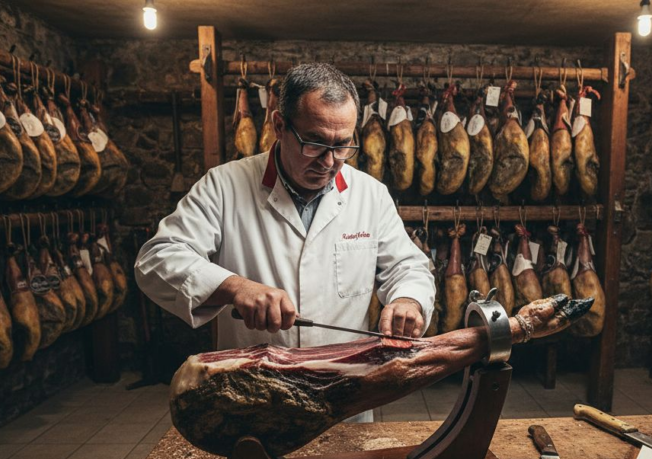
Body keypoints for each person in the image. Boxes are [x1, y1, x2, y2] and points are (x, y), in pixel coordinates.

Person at [135, 63, 436, 422]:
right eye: (315, 144)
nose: (329, 162)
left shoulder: (370, 195)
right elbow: (156, 259)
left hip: (343, 395)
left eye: (342, 146)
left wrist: (407, 299)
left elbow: (407, 265)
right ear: (279, 126)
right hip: (251, 393)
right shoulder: (224, 185)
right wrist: (234, 287)